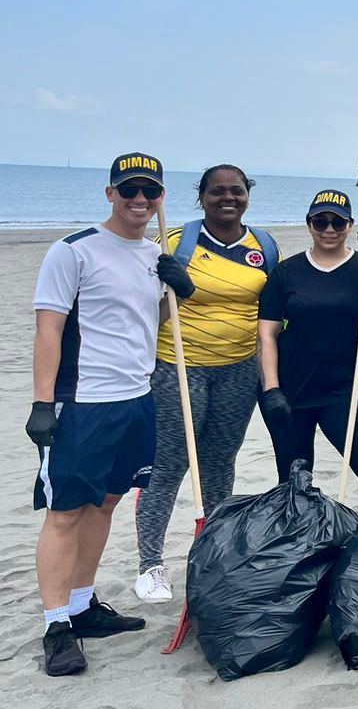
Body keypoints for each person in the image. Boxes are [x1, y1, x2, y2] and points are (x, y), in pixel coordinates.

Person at [29, 153, 192, 676]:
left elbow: (149, 316)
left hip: (136, 397)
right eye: (129, 191)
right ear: (110, 194)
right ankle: (56, 626)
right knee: (66, 512)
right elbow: (49, 329)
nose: (139, 201)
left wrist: (178, 292)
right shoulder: (73, 251)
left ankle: (82, 606)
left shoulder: (153, 252)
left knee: (104, 506)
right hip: (81, 403)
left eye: (150, 191)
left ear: (161, 196)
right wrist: (41, 402)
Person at [135, 164, 278, 604]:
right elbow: (142, 313)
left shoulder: (265, 246)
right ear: (202, 196)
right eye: (217, 191)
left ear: (247, 195)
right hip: (179, 365)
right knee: (171, 462)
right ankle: (150, 566)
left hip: (238, 369)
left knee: (220, 462)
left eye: (236, 190)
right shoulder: (175, 241)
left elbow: (272, 314)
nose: (227, 198)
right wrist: (173, 289)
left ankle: (211, 555)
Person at [257, 190, 358, 514]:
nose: (329, 228)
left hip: (346, 391)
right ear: (309, 224)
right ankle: (297, 541)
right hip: (292, 392)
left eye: (338, 221)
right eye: (321, 221)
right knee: (294, 477)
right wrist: (271, 390)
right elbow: (267, 333)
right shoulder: (287, 272)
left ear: (350, 225)